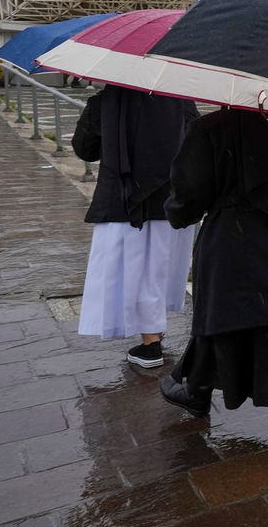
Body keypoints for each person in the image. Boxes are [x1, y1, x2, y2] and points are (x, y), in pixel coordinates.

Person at [157, 109, 268, 455]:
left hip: (231, 246)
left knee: (218, 320)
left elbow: (187, 197)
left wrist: (177, 212)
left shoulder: (207, 129)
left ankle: (198, 387)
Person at [71, 86, 198, 368]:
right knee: (159, 270)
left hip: (123, 201)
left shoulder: (105, 101)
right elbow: (195, 143)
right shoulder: (180, 98)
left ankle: (151, 344)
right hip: (170, 200)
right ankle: (154, 330)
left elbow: (85, 149)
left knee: (133, 271)